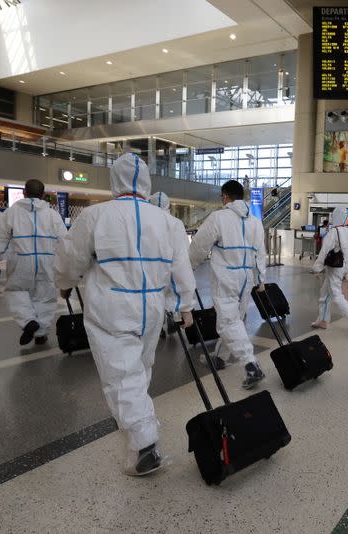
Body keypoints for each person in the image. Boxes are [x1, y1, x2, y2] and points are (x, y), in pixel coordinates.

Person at [54, 154, 195, 476]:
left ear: (114, 180)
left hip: (111, 308)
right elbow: (180, 268)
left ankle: (145, 444)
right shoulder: (167, 221)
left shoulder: (94, 216)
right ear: (146, 182)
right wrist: (185, 305)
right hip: (152, 308)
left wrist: (63, 285)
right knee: (139, 369)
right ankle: (141, 422)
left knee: (122, 376)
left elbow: (70, 259)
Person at [189, 179, 267, 390]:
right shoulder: (255, 221)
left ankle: (251, 364)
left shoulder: (218, 218)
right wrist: (261, 279)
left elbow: (198, 246)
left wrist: (188, 266)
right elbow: (261, 252)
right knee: (235, 318)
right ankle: (220, 358)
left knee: (228, 322)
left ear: (225, 196)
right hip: (246, 278)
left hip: (226, 278)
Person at [0, 180, 67, 346]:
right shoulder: (53, 214)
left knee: (16, 291)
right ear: (43, 195)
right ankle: (40, 333)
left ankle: (28, 321)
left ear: (24, 192)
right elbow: (65, 240)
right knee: (45, 296)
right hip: (47, 260)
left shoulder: (12, 212)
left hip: (21, 259)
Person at [311, 207, 348, 337]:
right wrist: (345, 272)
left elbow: (324, 252)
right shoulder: (347, 232)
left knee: (337, 296)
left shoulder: (333, 232)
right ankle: (323, 320)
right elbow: (347, 255)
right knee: (324, 294)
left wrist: (316, 268)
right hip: (341, 268)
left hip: (333, 269)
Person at [148, 192, 195, 339]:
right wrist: (185, 306)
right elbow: (180, 263)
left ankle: (161, 322)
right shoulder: (175, 224)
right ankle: (167, 316)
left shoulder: (139, 221)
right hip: (165, 276)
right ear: (168, 206)